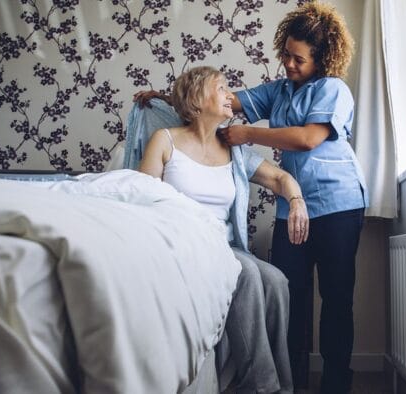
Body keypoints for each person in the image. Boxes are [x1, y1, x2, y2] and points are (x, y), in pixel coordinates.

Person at [135, 3, 368, 392]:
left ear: (321, 59)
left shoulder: (333, 90)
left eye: (299, 59)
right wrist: (166, 96)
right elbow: (216, 101)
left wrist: (249, 135)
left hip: (337, 203)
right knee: (287, 294)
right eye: (286, 55)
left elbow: (309, 138)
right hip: (291, 206)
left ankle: (335, 384)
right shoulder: (278, 91)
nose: (289, 65)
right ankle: (287, 380)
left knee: (336, 298)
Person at [136, 66, 309, 394]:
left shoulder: (234, 149)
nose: (231, 96)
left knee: (276, 281)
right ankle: (260, 386)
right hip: (183, 245)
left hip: (224, 246)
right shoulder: (165, 140)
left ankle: (284, 386)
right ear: (198, 100)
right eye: (222, 89)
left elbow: (279, 178)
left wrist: (297, 200)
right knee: (245, 272)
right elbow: (143, 196)